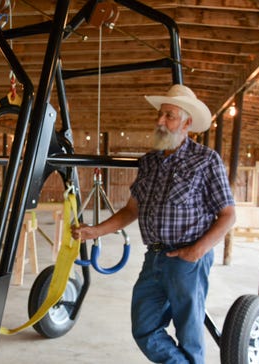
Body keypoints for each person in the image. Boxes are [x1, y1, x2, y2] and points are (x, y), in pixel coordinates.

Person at [72, 84, 235, 363]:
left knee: (189, 332)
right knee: (144, 328)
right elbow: (131, 210)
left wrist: (196, 252)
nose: (160, 121)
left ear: (187, 123)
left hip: (188, 258)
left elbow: (228, 215)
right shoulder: (149, 162)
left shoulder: (206, 161)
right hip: (155, 256)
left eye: (169, 116)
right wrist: (95, 231)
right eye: (160, 115)